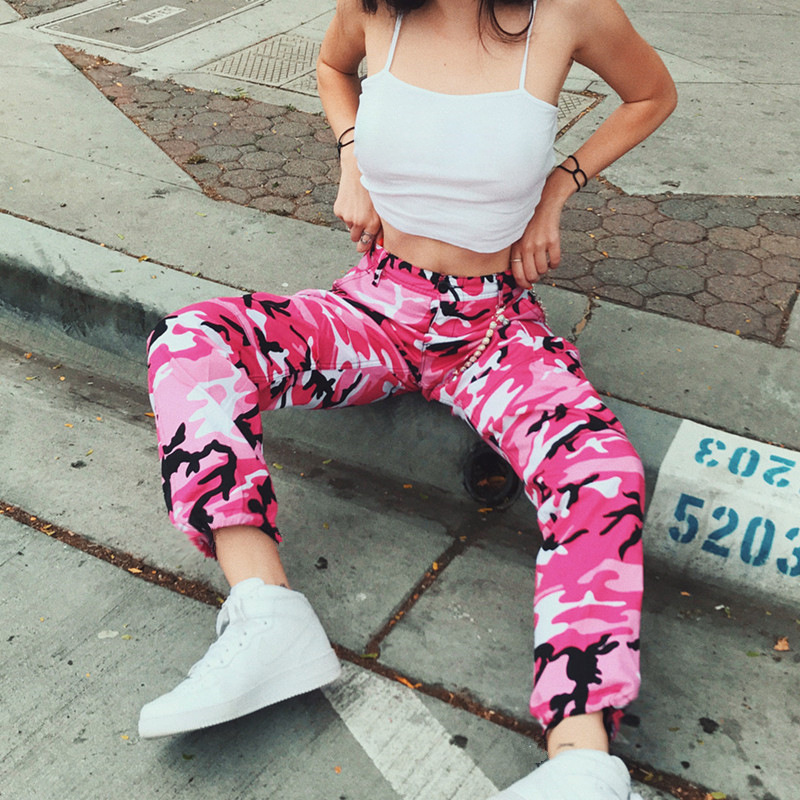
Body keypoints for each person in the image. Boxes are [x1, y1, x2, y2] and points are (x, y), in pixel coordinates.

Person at [139, 0, 676, 797]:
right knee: (192, 341)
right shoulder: (374, 7)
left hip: (492, 329)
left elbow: (652, 94)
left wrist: (558, 188)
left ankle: (583, 760)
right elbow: (332, 67)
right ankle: (265, 612)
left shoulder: (568, 11)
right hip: (374, 308)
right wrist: (352, 155)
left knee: (601, 470)